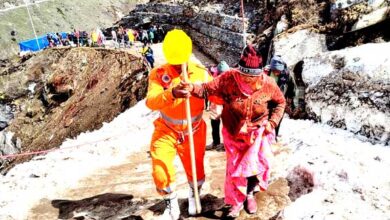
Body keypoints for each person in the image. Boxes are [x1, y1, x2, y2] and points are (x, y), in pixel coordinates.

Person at [174, 44, 286, 217]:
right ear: (239, 71)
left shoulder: (268, 84)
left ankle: (249, 195)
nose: (248, 80)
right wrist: (191, 88)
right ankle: (235, 201)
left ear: (260, 73)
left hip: (258, 131)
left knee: (254, 166)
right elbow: (206, 89)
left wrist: (272, 122)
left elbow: (280, 102)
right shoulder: (228, 78)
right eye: (245, 75)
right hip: (233, 132)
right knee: (235, 169)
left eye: (253, 76)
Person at [145, 29, 211, 219]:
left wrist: (211, 99)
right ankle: (171, 202)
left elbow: (215, 92)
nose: (176, 62)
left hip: (194, 130)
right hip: (166, 130)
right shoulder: (158, 74)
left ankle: (194, 193)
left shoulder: (201, 74)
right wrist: (171, 93)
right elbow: (151, 101)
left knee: (196, 169)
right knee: (161, 167)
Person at [264, 55, 295, 138]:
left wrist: (290, 99)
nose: (275, 72)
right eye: (274, 70)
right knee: (265, 121)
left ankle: (274, 138)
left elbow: (292, 88)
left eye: (277, 70)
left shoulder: (287, 75)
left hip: (279, 102)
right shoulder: (266, 72)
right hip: (266, 100)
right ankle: (264, 139)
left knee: (276, 121)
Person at [207, 61, 230, 149]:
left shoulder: (231, 77)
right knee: (215, 123)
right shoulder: (215, 77)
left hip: (227, 104)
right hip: (216, 103)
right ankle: (216, 142)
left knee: (227, 125)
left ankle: (226, 144)